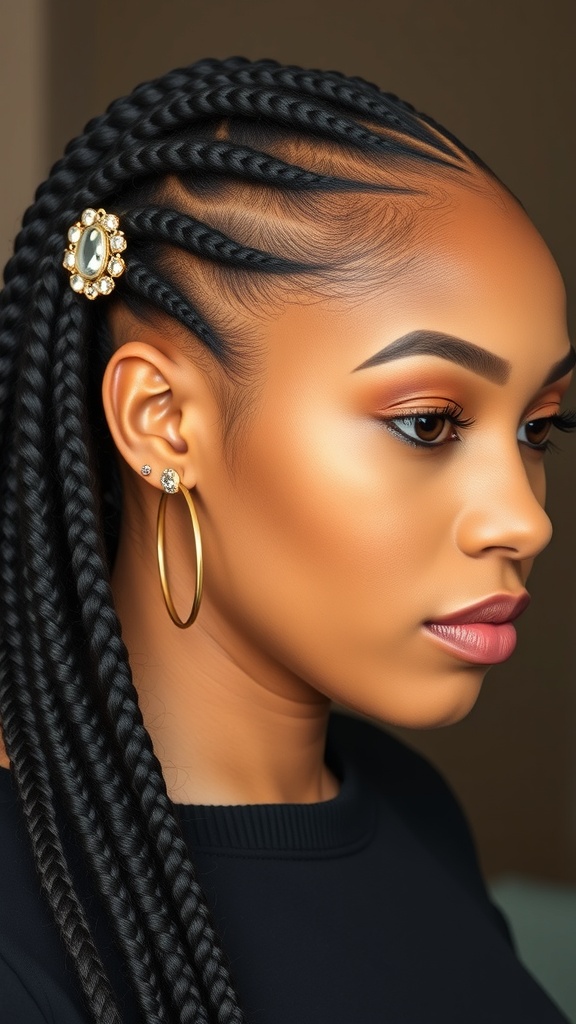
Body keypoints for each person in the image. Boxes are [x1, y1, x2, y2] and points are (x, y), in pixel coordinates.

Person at [0, 56, 573, 1024]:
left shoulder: (408, 802)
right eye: (429, 422)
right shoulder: (22, 942)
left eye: (539, 427)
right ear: (161, 422)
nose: (526, 519)